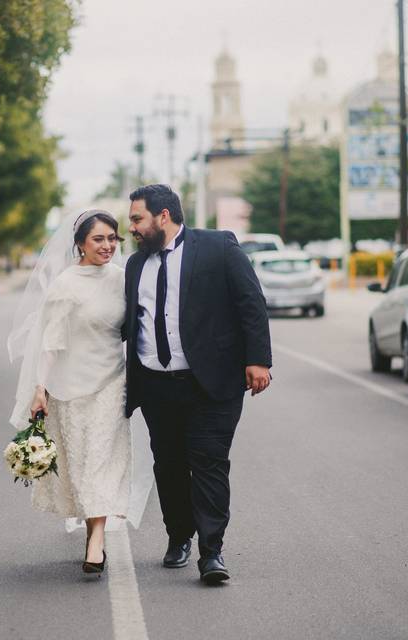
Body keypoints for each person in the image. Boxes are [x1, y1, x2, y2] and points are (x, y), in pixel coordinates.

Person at [123, 184, 272, 585]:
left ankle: (212, 552)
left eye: (137, 218)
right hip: (156, 385)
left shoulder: (217, 246)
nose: (131, 227)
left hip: (211, 383)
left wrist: (258, 359)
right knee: (168, 466)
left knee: (208, 463)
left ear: (164, 216)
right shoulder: (136, 265)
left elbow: (250, 303)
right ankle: (178, 536)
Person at [8, 209, 153, 576]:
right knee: (82, 464)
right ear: (80, 244)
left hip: (111, 382)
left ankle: (96, 542)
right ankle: (95, 532)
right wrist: (39, 388)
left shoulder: (123, 279)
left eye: (111, 238)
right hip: (69, 387)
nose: (107, 246)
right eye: (98, 239)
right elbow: (50, 343)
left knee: (101, 459)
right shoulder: (65, 285)